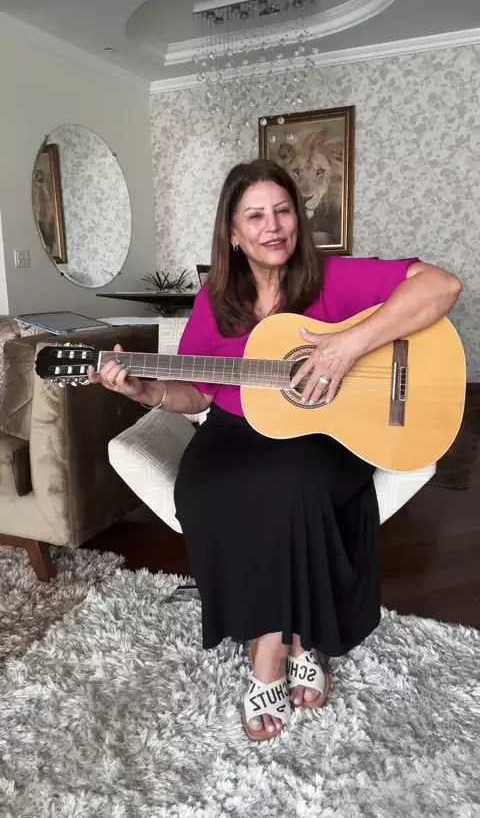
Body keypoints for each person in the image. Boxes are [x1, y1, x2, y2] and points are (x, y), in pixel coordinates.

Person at [89, 159, 461, 741]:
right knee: (202, 489)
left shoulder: (334, 278)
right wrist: (146, 391)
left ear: (298, 219)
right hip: (237, 430)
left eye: (283, 211)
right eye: (256, 216)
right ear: (233, 233)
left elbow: (443, 286)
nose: (273, 226)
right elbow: (196, 392)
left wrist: (346, 346)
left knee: (295, 486)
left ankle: (275, 647)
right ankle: (291, 635)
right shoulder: (217, 300)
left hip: (325, 432)